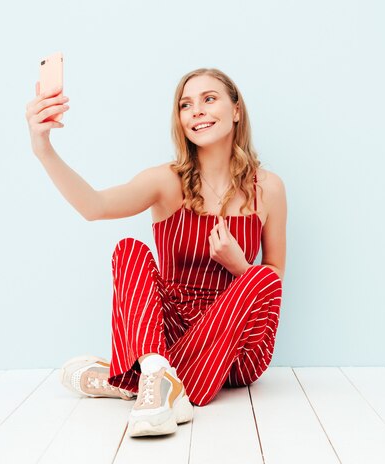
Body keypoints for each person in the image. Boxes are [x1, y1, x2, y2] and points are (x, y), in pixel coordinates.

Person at [24, 67, 286, 437]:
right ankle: (156, 375)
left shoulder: (269, 188)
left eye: (209, 99)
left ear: (236, 110)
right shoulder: (166, 180)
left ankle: (131, 379)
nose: (196, 110)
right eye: (186, 104)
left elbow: (273, 280)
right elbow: (94, 206)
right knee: (129, 249)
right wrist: (43, 148)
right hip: (170, 333)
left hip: (236, 347)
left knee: (261, 275)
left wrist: (240, 266)